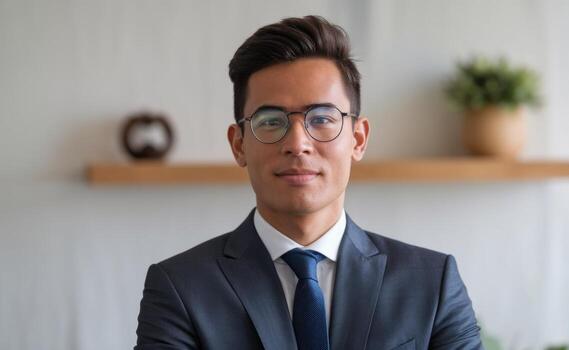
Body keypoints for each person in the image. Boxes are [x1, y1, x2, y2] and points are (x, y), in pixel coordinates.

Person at [135, 15, 482, 350]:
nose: (297, 143)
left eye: (322, 118)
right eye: (270, 121)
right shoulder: (180, 287)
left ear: (358, 139)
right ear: (239, 144)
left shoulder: (431, 283)